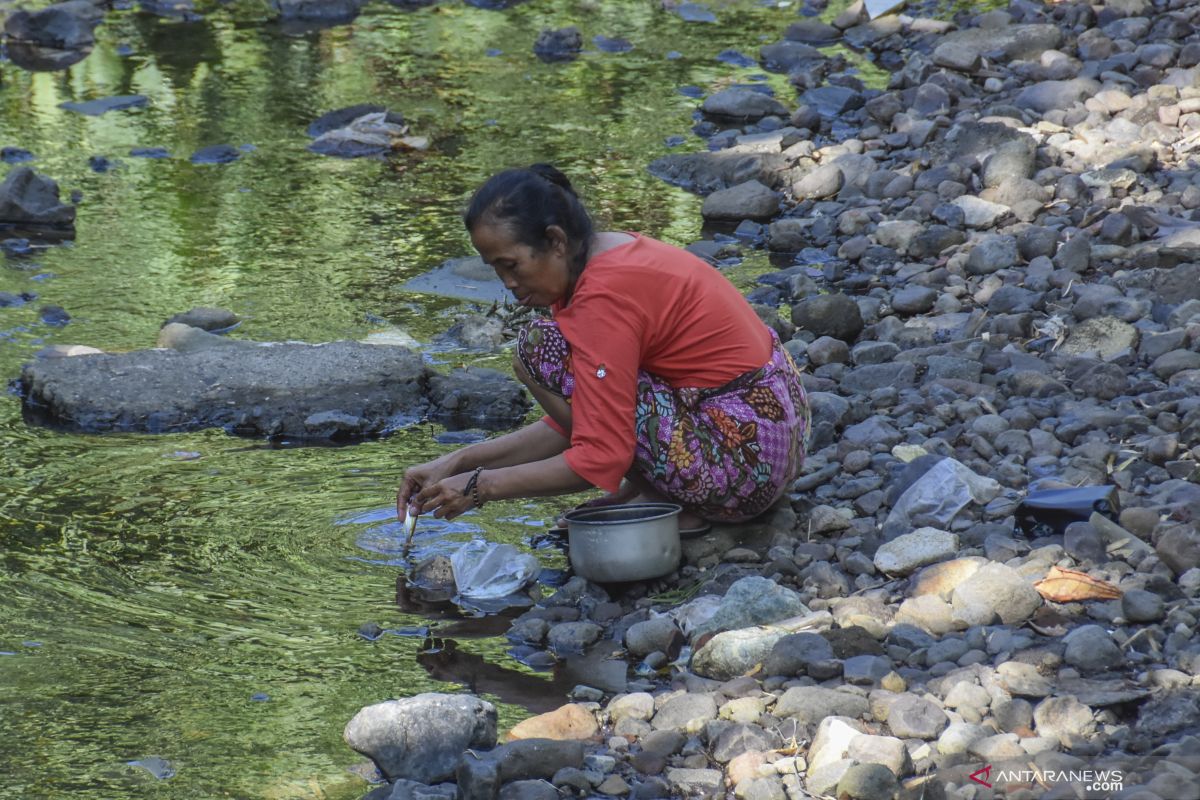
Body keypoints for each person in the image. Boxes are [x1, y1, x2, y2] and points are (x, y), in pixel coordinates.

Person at [397, 164, 810, 534]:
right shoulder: (605, 252)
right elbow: (580, 421)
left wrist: (477, 487)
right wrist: (457, 463)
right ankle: (655, 489)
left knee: (538, 348)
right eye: (496, 270)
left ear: (555, 241)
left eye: (511, 265)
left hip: (739, 470)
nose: (506, 283)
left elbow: (600, 455)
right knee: (547, 349)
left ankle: (669, 499)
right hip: (775, 444)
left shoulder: (600, 299)